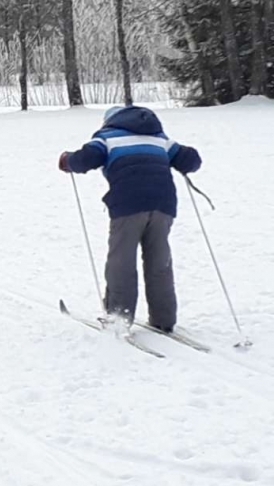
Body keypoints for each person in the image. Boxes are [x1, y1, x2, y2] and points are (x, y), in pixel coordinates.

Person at [58, 104, 201, 333]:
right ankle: (163, 320)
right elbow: (191, 160)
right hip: (163, 204)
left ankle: (118, 317)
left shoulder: (107, 137)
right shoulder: (159, 138)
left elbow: (86, 159)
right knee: (159, 261)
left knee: (121, 262)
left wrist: (67, 160)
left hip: (128, 204)